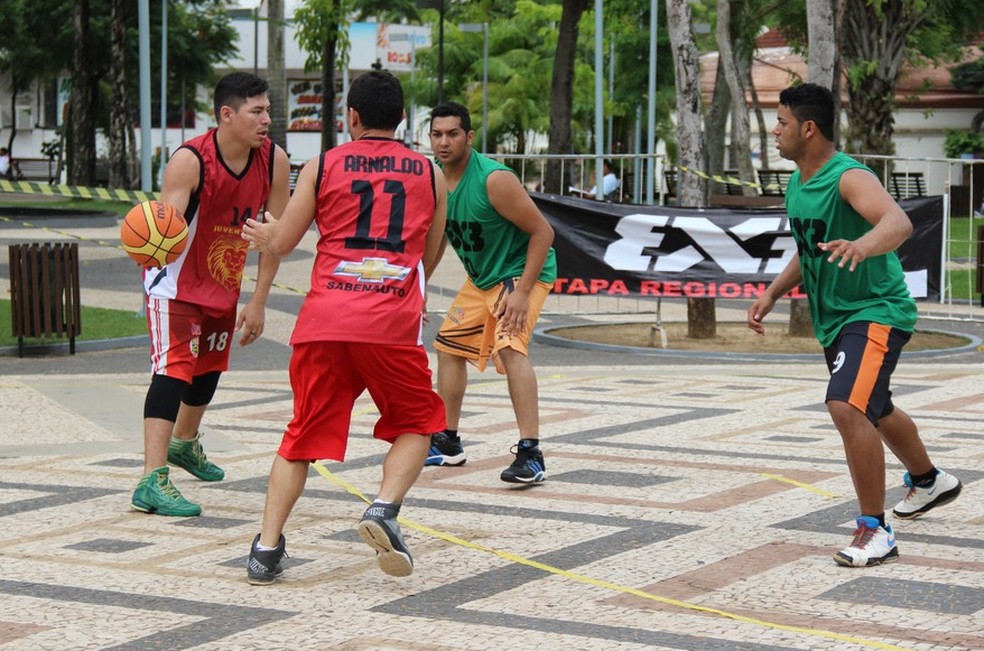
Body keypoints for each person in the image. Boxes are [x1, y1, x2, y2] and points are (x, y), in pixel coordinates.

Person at [241, 70, 448, 584]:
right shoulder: (429, 172)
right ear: (402, 120)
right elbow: (431, 249)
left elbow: (283, 241)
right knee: (419, 424)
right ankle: (382, 508)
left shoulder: (323, 164)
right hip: (390, 321)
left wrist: (265, 234)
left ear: (350, 117)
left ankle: (265, 550)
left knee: (301, 438)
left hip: (324, 320)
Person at [747, 83, 962, 568]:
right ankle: (929, 481)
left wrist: (864, 245)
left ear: (808, 128)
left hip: (875, 310)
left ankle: (874, 528)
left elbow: (898, 223)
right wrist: (772, 292)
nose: (775, 132)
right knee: (876, 406)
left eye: (780, 123)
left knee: (846, 405)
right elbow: (810, 249)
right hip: (837, 319)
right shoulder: (799, 181)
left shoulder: (848, 176)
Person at [130, 72, 290, 517]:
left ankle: (184, 443)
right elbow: (165, 227)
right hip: (174, 284)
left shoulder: (273, 159)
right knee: (173, 371)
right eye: (257, 111)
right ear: (226, 114)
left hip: (223, 282)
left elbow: (276, 233)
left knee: (209, 369)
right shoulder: (189, 160)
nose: (266, 120)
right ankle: (151, 480)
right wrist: (147, 237)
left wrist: (258, 300)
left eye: (268, 110)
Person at [426, 101, 557, 483]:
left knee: (510, 348)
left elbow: (543, 233)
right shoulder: (435, 179)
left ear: (468, 137)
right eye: (437, 134)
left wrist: (522, 292)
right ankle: (448, 441)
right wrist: (416, 287)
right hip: (482, 280)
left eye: (452, 134)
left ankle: (531, 454)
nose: (444, 142)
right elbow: (435, 242)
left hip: (520, 275)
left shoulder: (494, 180)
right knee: (448, 347)